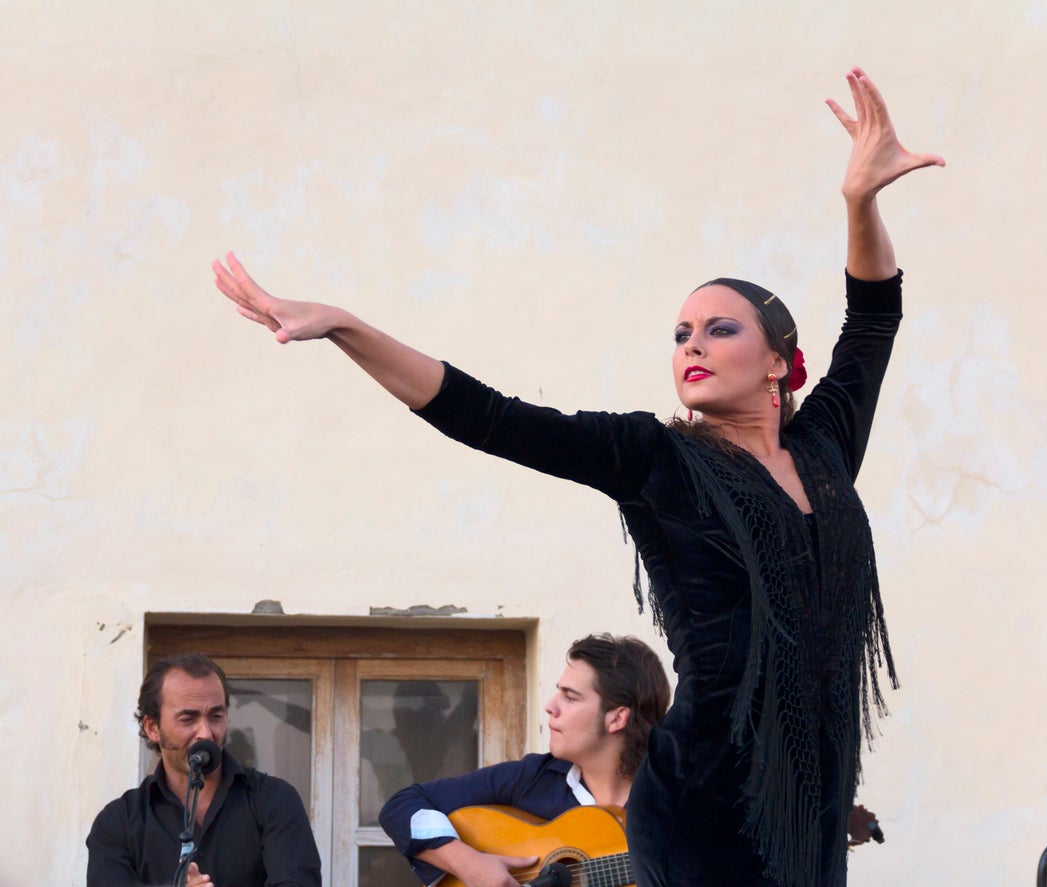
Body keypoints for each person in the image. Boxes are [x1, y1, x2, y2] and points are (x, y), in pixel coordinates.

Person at [212, 67, 942, 887]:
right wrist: (347, 326)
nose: (691, 345)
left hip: (812, 794)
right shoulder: (656, 457)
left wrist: (859, 201)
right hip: (703, 798)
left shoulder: (824, 448)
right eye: (679, 333)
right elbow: (488, 417)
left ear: (778, 360)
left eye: (718, 328)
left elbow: (874, 312)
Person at [379, 634, 671, 887]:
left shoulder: (673, 804)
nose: (550, 707)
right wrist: (469, 864)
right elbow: (402, 806)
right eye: (558, 692)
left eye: (570, 697)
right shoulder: (534, 777)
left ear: (617, 717)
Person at [86, 653, 321, 887]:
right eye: (188, 719)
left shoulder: (275, 800)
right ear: (152, 727)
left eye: (216, 716)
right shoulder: (117, 823)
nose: (206, 733)